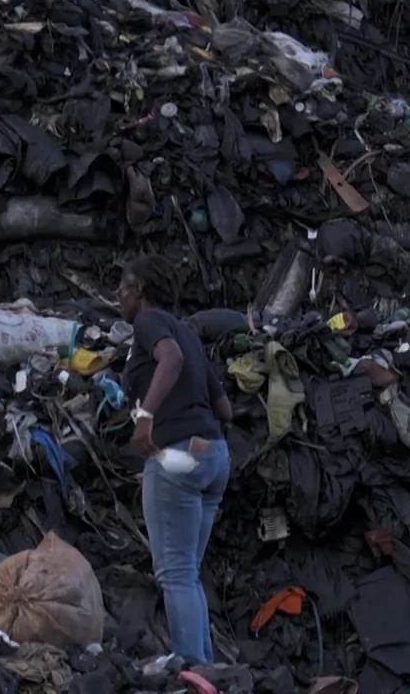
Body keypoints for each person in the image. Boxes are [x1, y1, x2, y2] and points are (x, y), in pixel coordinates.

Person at [118, 255, 233, 664]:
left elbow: (172, 360)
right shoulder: (187, 332)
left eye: (124, 288)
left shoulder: (149, 324)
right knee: (188, 572)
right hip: (213, 454)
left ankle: (193, 673)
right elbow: (226, 409)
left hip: (178, 457)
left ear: (142, 291)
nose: (119, 297)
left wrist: (146, 417)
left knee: (176, 574)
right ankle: (207, 671)